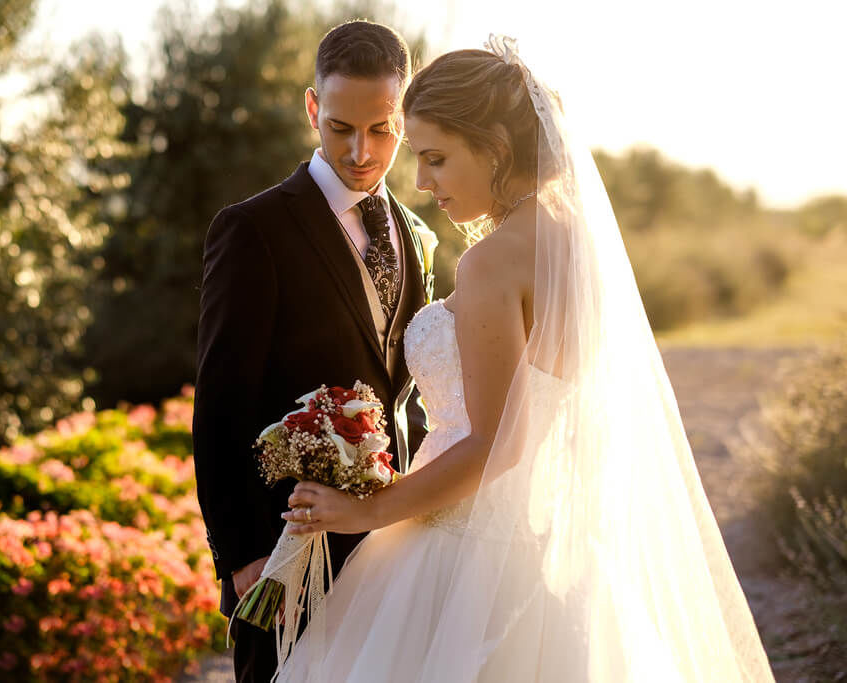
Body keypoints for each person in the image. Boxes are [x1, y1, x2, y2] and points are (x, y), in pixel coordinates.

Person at [274, 38, 776, 682]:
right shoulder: (578, 248)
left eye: (436, 158)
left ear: (496, 150)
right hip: (549, 548)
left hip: (463, 551)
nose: (423, 182)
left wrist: (367, 510)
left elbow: (494, 443)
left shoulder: (494, 261)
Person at [191, 20, 439, 683]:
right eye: (340, 127)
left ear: (406, 117)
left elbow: (406, 391)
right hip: (288, 559)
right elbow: (220, 405)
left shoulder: (417, 234)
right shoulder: (253, 230)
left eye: (382, 129)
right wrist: (240, 555)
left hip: (398, 551)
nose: (361, 151)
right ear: (312, 110)